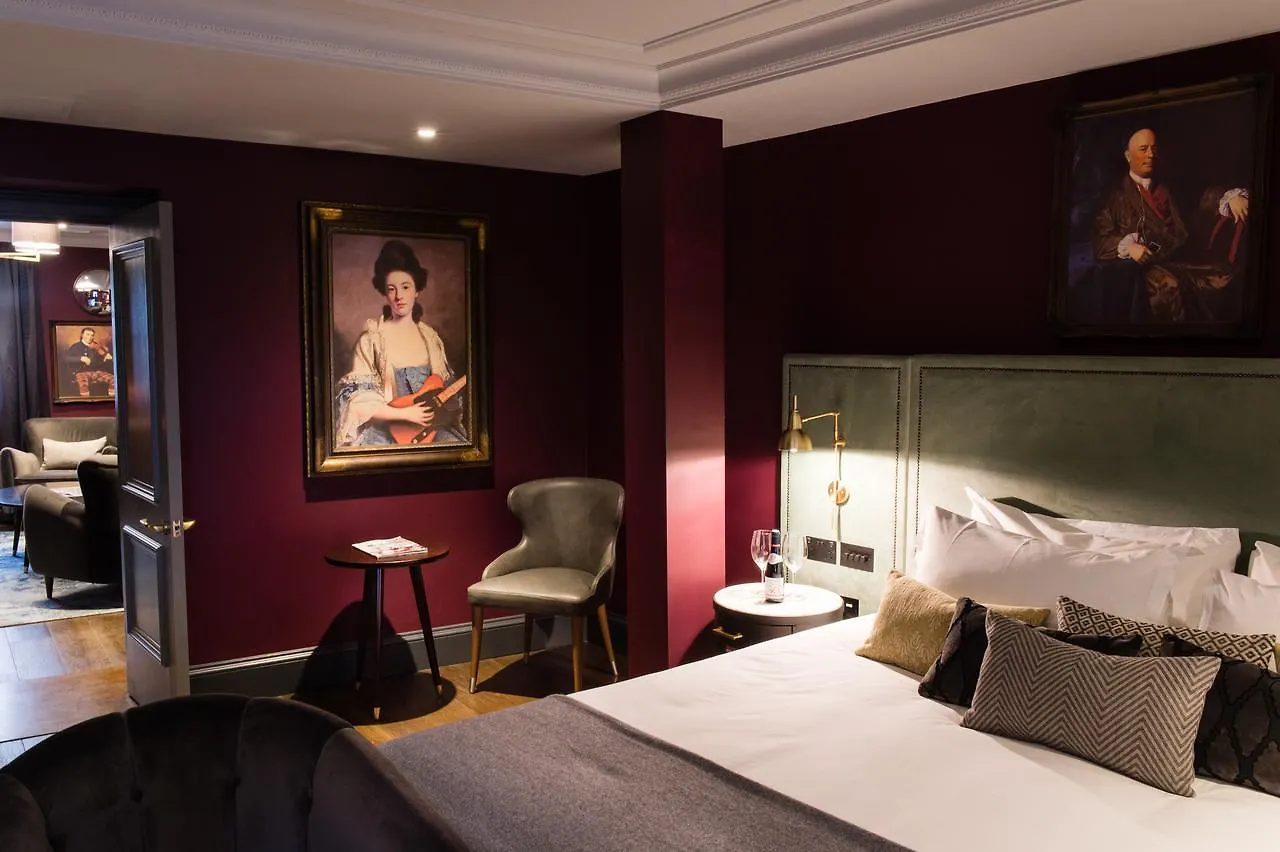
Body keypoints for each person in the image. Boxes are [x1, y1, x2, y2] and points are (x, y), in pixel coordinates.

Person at [1087, 127, 1250, 323]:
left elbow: (1204, 197)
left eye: (1154, 149)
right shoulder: (1114, 195)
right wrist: (1129, 248)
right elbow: (1100, 241)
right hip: (1147, 270)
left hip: (1184, 261)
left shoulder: (1171, 185)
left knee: (1227, 277)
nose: (1150, 155)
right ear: (1128, 156)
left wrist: (1233, 198)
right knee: (1171, 290)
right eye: (1143, 149)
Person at [334, 240, 466, 446]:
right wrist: (405, 414)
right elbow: (357, 401)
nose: (399, 296)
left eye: (405, 287)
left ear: (417, 290)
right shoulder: (371, 341)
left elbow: (446, 393)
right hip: (386, 433)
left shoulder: (431, 338)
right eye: (391, 289)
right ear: (385, 293)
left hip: (430, 432)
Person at [65, 327, 114, 398]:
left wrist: (105, 357)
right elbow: (66, 358)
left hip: (97, 372)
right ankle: (85, 402)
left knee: (114, 380)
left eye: (92, 335)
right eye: (87, 334)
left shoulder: (96, 346)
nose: (90, 337)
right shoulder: (75, 346)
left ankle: (113, 401)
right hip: (81, 372)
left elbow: (98, 361)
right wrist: (80, 358)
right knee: (83, 385)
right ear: (82, 335)